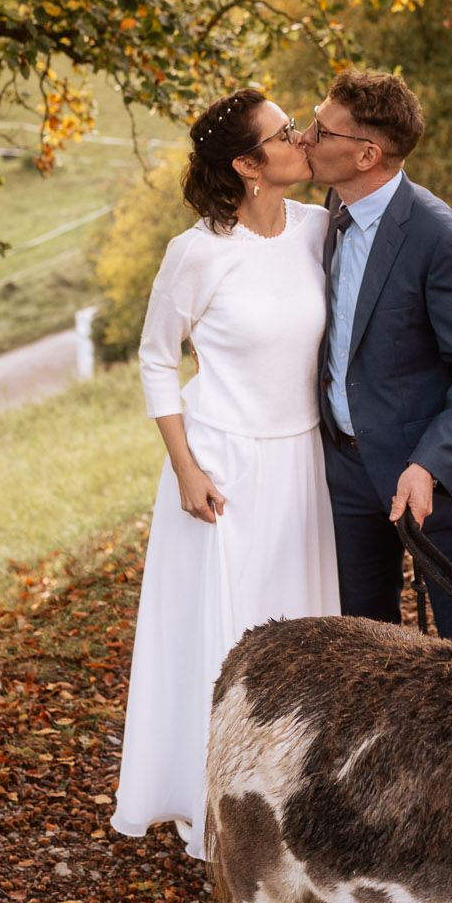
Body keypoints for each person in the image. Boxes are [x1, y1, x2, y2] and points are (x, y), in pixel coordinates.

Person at [111, 87, 338, 860]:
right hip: (222, 468)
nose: (303, 137)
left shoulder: (318, 230)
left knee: (302, 628)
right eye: (286, 132)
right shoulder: (198, 251)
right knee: (226, 639)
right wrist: (184, 467)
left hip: (301, 458)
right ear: (248, 164)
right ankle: (219, 804)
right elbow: (153, 358)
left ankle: (294, 793)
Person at [303, 69, 452, 638]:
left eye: (321, 131)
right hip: (346, 475)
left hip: (436, 479)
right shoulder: (329, 212)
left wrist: (428, 466)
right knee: (365, 649)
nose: (305, 139)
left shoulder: (446, 241)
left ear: (367, 154)